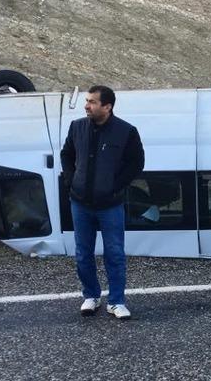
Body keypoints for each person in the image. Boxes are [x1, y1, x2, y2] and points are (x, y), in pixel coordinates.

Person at [61, 85, 145, 320]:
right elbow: (66, 154)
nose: (87, 105)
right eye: (86, 101)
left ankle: (117, 301)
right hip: (80, 203)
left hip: (110, 205)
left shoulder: (126, 131)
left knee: (115, 253)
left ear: (107, 107)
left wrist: (115, 187)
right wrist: (71, 181)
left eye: (92, 102)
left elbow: (136, 163)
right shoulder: (77, 127)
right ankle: (91, 296)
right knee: (82, 253)